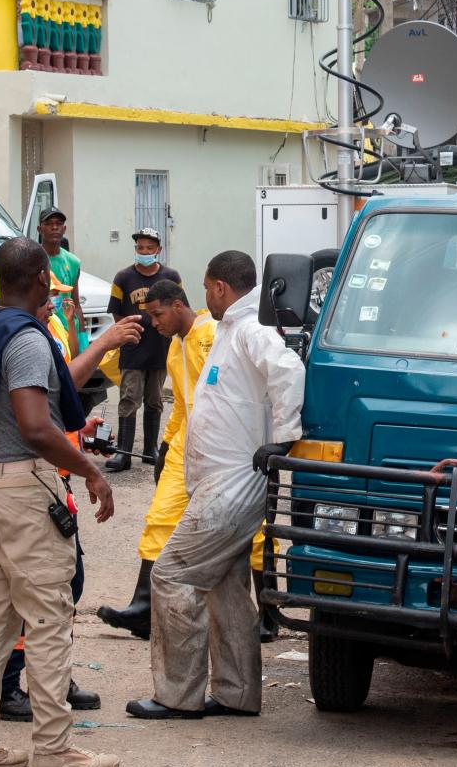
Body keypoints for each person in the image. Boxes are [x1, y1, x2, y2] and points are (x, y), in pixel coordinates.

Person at [0, 237, 123, 767]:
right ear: (43, 277)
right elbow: (35, 424)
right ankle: (53, 751)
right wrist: (91, 470)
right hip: (21, 488)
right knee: (49, 620)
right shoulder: (25, 339)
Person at [127, 251, 305, 721]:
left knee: (171, 576)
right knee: (225, 586)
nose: (204, 297)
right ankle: (237, 693)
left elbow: (289, 372)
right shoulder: (229, 329)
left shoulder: (250, 329)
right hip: (220, 483)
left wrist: (284, 439)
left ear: (221, 288)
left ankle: (177, 695)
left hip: (232, 485)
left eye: (207, 288)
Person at [96, 279, 273, 643]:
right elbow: (181, 402)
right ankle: (143, 607)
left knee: (255, 533)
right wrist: (164, 445)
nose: (153, 323)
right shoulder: (175, 348)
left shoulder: (213, 334)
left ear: (178, 306)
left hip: (229, 447)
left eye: (158, 314)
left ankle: (268, 615)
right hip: (185, 445)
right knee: (160, 519)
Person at [104, 227, 182, 473]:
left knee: (155, 400)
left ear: (158, 250)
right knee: (129, 398)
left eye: (149, 248)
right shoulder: (123, 278)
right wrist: (127, 332)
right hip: (133, 349)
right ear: (135, 249)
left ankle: (150, 449)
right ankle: (124, 452)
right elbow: (116, 310)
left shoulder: (171, 276)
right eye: (140, 248)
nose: (144, 252)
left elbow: (180, 306)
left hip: (160, 348)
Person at [38, 208, 88, 356]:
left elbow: (76, 302)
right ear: (40, 229)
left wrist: (82, 336)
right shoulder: (33, 258)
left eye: (58, 224)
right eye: (49, 223)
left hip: (68, 330)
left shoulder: (73, 262)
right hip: (45, 328)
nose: (54, 227)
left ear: (64, 229)